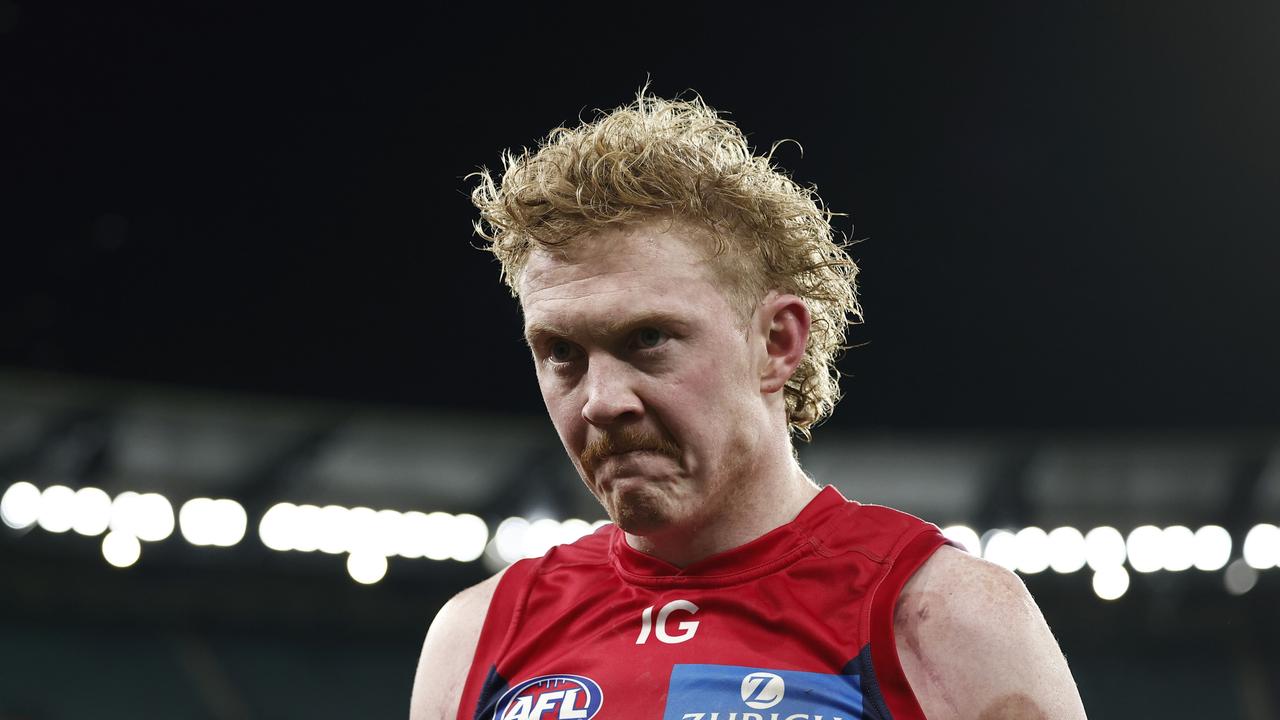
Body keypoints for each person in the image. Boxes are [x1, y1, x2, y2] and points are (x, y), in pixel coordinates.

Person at [411, 92, 1087, 720]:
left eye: (648, 339)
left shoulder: (947, 616)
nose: (601, 401)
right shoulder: (477, 635)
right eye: (562, 352)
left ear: (777, 342)